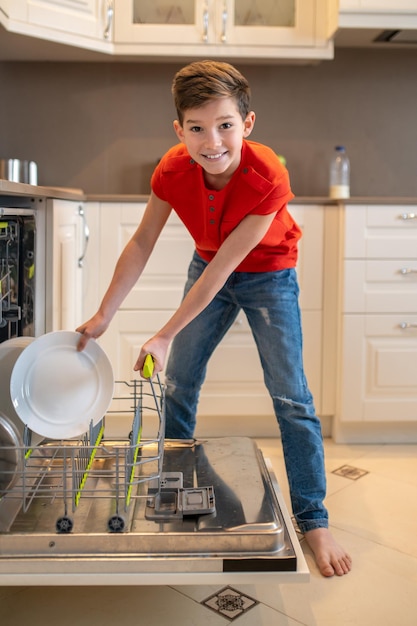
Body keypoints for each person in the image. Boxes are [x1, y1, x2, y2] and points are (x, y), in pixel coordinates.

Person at [77, 60, 352, 577]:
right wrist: (103, 314)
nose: (213, 141)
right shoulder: (172, 169)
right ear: (179, 131)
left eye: (226, 125)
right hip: (209, 264)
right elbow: (141, 242)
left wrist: (164, 333)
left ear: (247, 123)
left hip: (267, 272)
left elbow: (229, 268)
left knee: (291, 395)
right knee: (180, 383)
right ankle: (174, 493)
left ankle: (314, 519)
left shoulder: (267, 173)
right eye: (197, 129)